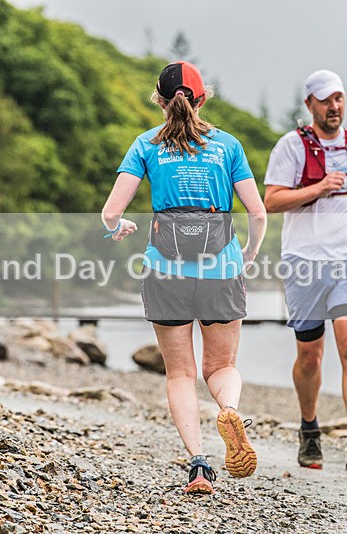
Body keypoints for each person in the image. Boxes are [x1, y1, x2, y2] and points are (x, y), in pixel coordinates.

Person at [102, 61, 267, 494]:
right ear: (202, 98)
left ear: (159, 100)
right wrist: (246, 254)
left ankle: (198, 466)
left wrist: (118, 230)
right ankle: (229, 409)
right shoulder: (228, 146)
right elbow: (258, 213)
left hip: (165, 271)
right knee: (222, 366)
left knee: (180, 373)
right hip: (222, 269)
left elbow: (111, 212)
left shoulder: (145, 145)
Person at [263, 70, 347, 472]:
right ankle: (309, 429)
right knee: (310, 355)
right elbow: (271, 200)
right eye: (325, 100)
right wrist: (318, 189)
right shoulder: (292, 147)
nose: (334, 107)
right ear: (309, 105)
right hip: (303, 262)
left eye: (339, 98)